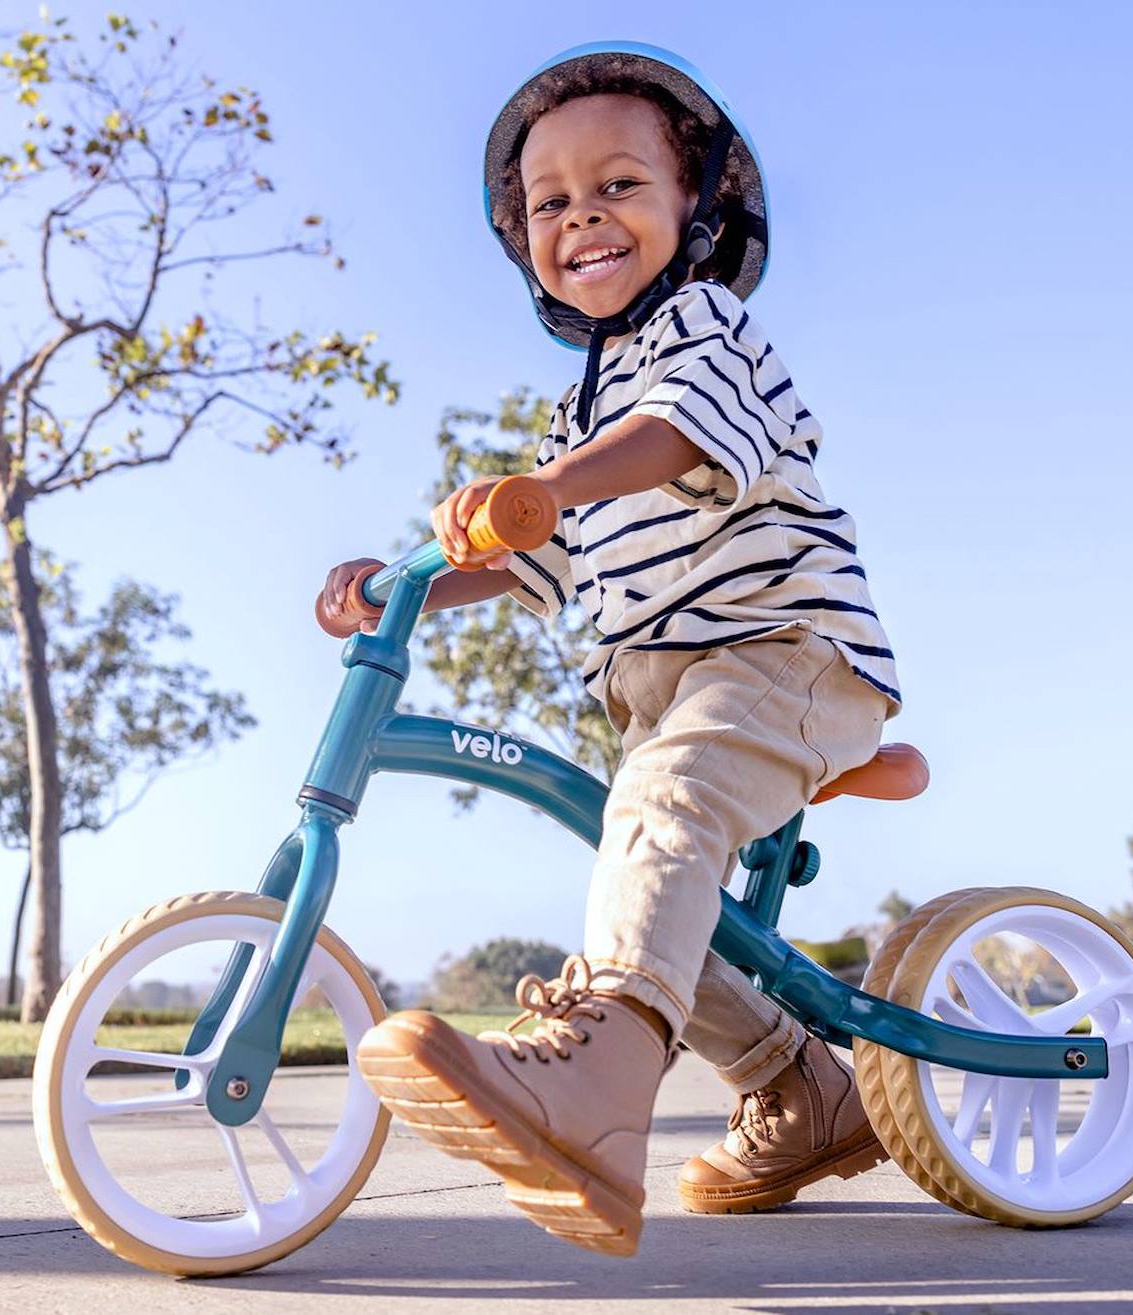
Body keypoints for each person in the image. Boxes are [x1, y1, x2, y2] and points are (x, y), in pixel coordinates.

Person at [325, 43, 901, 1256]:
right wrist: (405, 586)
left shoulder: (708, 328)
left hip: (784, 653)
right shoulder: (575, 412)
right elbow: (536, 556)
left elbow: (678, 433)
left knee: (662, 808)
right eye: (551, 202)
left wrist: (541, 484)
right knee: (649, 880)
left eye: (620, 185)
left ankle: (591, 1105)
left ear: (695, 208)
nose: (582, 214)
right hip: (668, 694)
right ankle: (806, 1090)